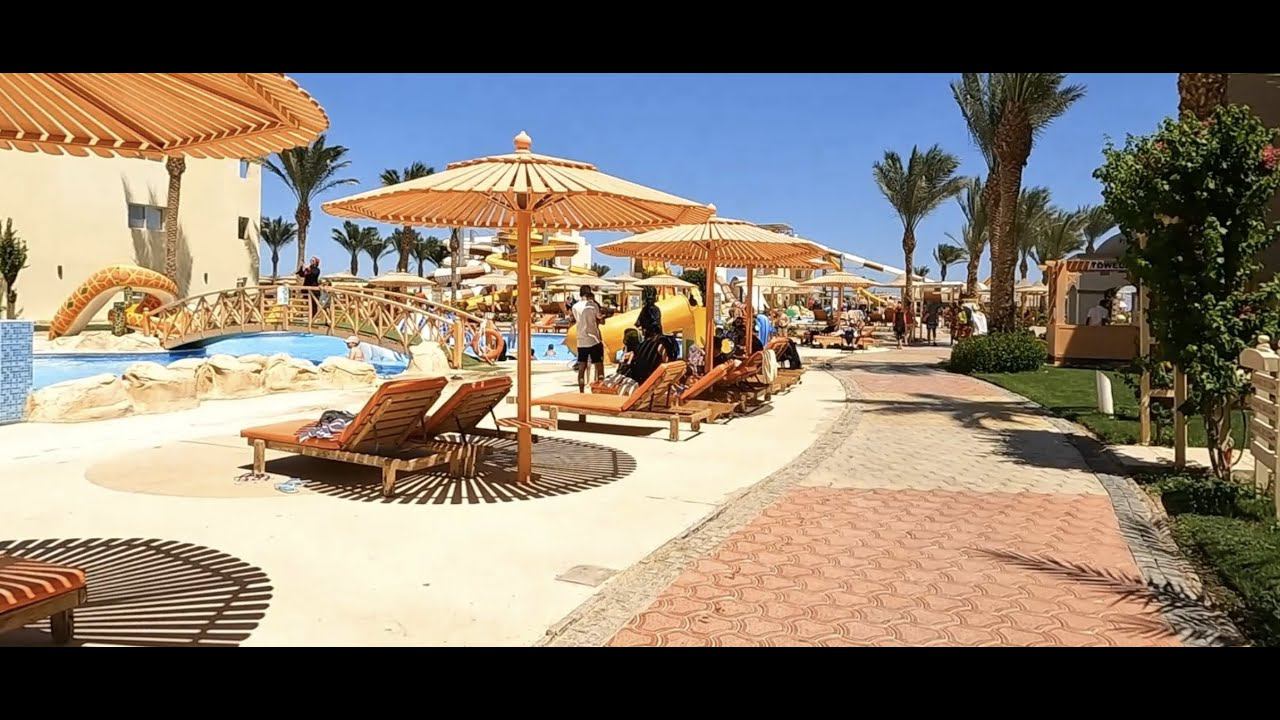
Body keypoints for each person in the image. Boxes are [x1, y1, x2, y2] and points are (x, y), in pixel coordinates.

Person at [572, 286, 604, 392]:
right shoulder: (593, 305)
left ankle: (581, 391)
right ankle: (600, 390)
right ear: (589, 293)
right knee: (599, 366)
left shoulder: (575, 307)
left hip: (581, 340)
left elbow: (576, 320)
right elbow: (600, 318)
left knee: (582, 368)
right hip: (594, 339)